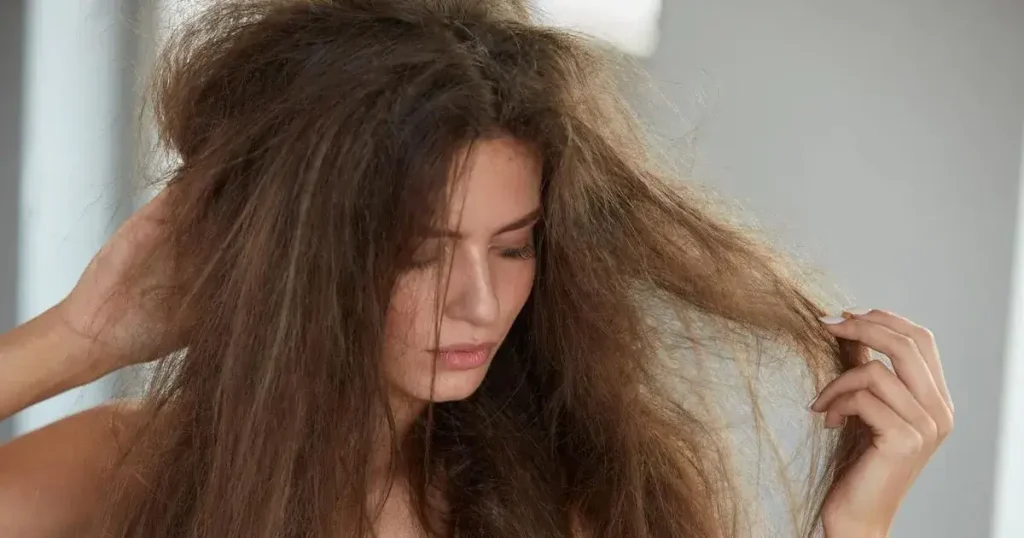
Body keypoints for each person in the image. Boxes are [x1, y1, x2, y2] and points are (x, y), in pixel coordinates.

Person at [0, 0, 954, 536]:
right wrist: (74, 341)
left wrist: (856, 528)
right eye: (419, 253)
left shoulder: (561, 503)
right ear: (301, 258)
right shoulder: (124, 474)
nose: (481, 303)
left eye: (514, 245)